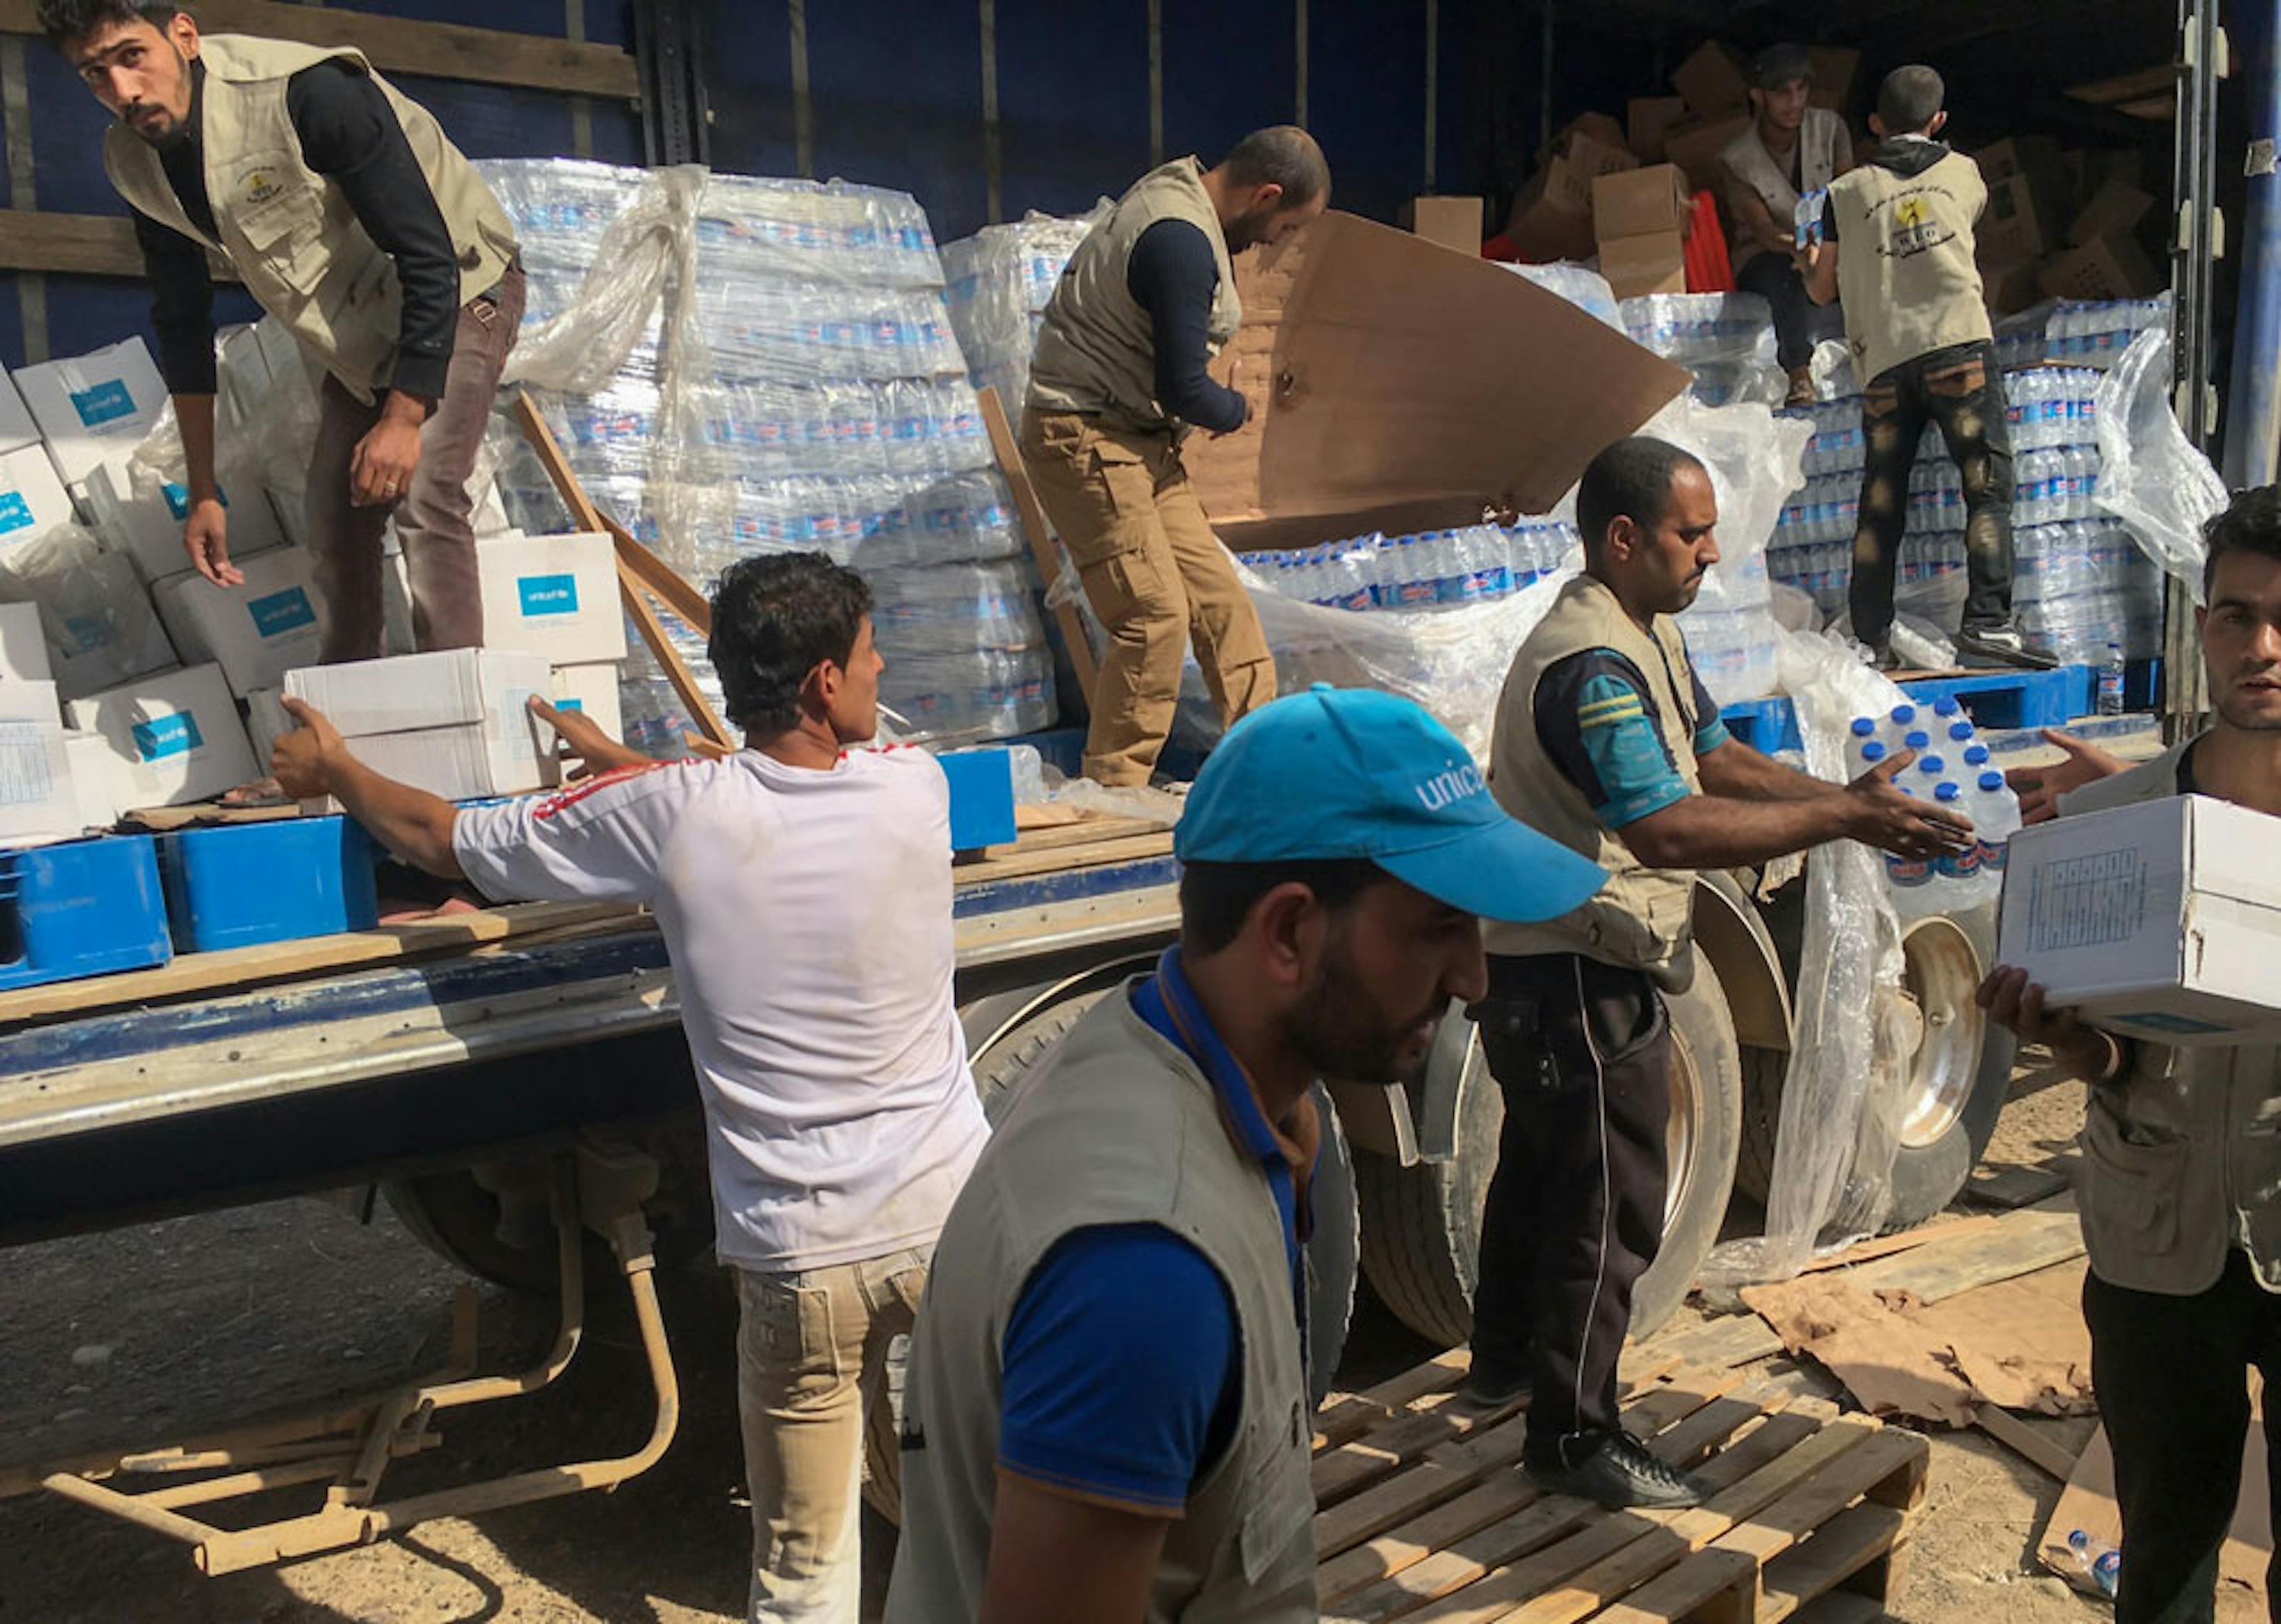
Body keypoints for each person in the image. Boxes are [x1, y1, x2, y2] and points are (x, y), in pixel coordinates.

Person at [268, 553, 989, 1624]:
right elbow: (779, 797)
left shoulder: (673, 816)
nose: (882, 671)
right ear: (826, 685)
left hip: (803, 1258)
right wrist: (626, 766)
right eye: (870, 655)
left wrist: (337, 769)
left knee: (803, 1574)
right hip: (951, 1228)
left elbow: (441, 836)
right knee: (980, 1516)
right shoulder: (914, 786)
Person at [884, 685, 1609, 1623]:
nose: (1473, 979)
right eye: (1439, 927)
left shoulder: (1168, 1051)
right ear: (1288, 931)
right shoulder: (1146, 1276)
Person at [1464, 436, 1974, 1508]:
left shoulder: (1635, 631)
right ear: (1624, 538)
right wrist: (1844, 816)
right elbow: (1666, 826)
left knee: (1545, 1174)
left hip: (1553, 965)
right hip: (1577, 972)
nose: (1709, 553)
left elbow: (1713, 756)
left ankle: (1508, 1367)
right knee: (1611, 1205)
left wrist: (1853, 804)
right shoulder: (1593, 665)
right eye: (1691, 535)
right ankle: (1571, 1434)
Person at [1980, 487, 2281, 1624]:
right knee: (2162, 1564)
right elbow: (2115, 1054)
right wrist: (2066, 1038)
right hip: (2157, 1246)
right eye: (2236, 616)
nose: (2263, 648)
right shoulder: (2122, 831)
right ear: (2202, 628)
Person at [41, 0, 523, 662]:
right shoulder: (135, 158)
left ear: (182, 35)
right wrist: (204, 492)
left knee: (426, 493)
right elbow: (181, 319)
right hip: (358, 339)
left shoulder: (307, 94)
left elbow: (426, 252)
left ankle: (457, 719)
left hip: (462, 288)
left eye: (132, 56)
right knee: (334, 523)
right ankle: (347, 727)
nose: (123, 90)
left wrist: (404, 417)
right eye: (95, 74)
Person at [1020, 127, 1330, 788]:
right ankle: (1112, 794)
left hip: (1139, 441)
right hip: (1085, 439)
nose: (1274, 243)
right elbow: (1184, 390)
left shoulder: (1183, 195)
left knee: (1221, 603)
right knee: (1152, 615)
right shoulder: (1180, 240)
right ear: (1266, 194)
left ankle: (1270, 768)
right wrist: (1238, 409)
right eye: (1283, 227)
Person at [1801, 65, 2049, 672]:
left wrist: (1808, 261)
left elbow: (1819, 291)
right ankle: (1989, 624)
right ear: (1939, 121)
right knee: (1986, 489)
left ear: (1875, 124)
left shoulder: (1844, 193)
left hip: (1883, 364)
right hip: (1957, 349)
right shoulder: (1963, 173)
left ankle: (1869, 637)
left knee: (1881, 501)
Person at [1720, 43, 1851, 404]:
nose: (1794, 102)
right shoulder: (1736, 158)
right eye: (1782, 93)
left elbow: (1847, 195)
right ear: (1758, 96)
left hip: (1830, 245)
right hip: (1767, 253)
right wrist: (1798, 249)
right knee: (1785, 275)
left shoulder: (1830, 128)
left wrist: (1827, 250)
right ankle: (1799, 375)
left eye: (1801, 89)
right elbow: (1761, 229)